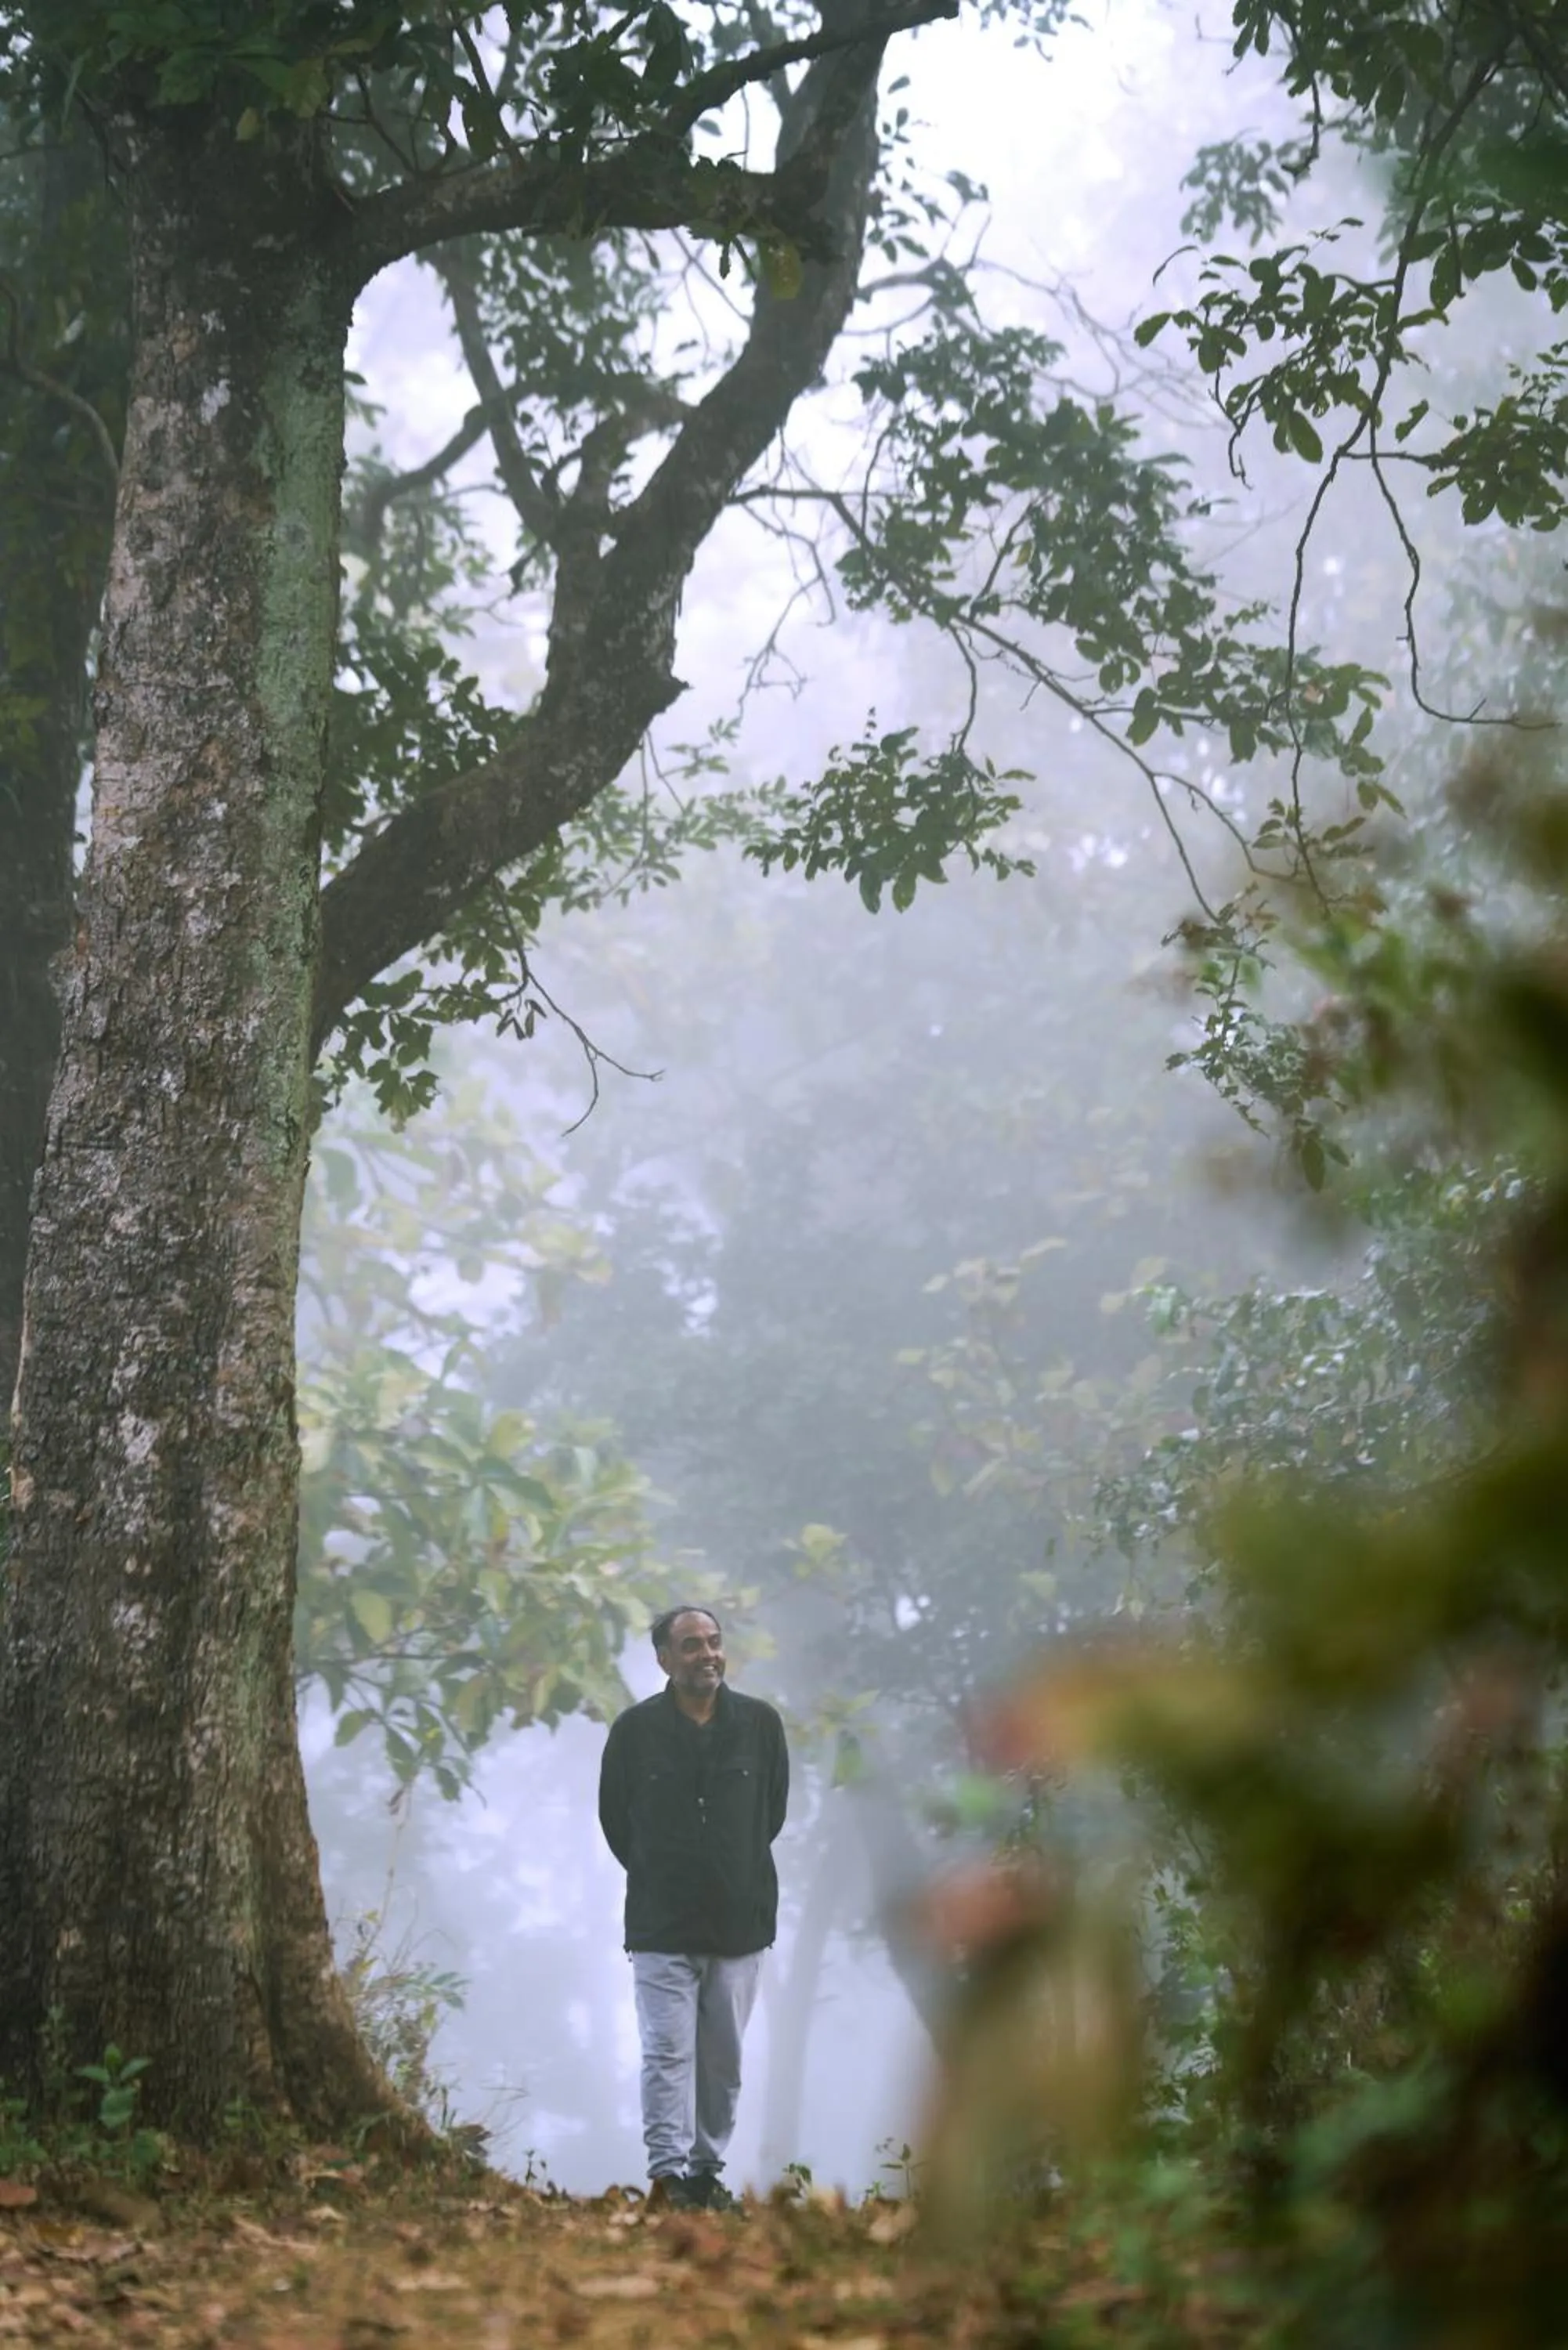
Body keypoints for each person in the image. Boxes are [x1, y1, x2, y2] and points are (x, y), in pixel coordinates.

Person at [598, 1605, 789, 2211]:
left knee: (723, 2060)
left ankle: (707, 2174)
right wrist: (662, 1873)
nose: (706, 1654)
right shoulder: (634, 1732)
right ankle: (668, 2175)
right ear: (664, 1659)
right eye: (690, 1646)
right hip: (661, 1924)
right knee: (666, 2052)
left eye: (713, 1642)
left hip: (739, 1923)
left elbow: (771, 1814)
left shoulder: (760, 1726)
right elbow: (615, 1819)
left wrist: (733, 1872)